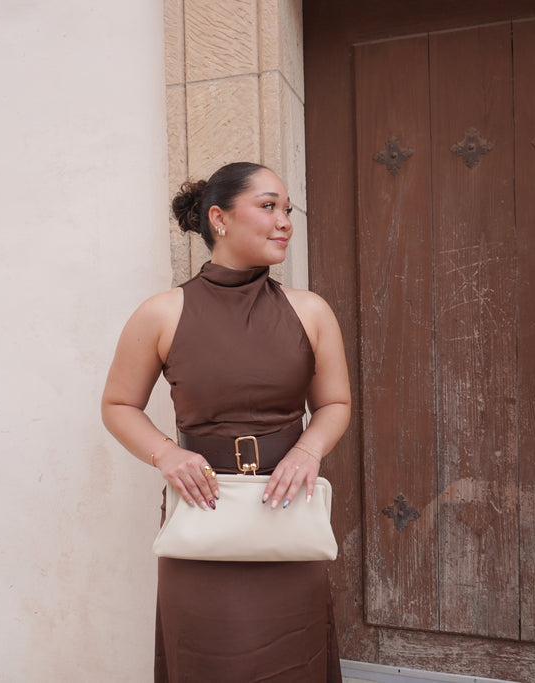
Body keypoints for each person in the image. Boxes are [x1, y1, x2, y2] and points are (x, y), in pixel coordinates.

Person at [101, 161, 350, 682]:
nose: (284, 220)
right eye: (267, 206)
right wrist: (167, 453)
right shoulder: (161, 313)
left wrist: (307, 451)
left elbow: (335, 404)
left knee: (293, 664)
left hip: (285, 519)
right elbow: (119, 404)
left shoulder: (311, 311)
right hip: (202, 518)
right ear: (219, 218)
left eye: (287, 209)